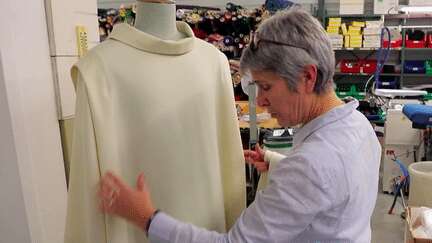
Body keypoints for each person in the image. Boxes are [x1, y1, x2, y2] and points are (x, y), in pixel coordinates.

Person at [98, 7, 381, 242]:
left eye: (267, 87)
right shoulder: (357, 125)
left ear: (307, 77)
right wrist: (278, 162)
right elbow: (335, 183)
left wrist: (147, 219)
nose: (261, 102)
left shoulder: (312, 165)